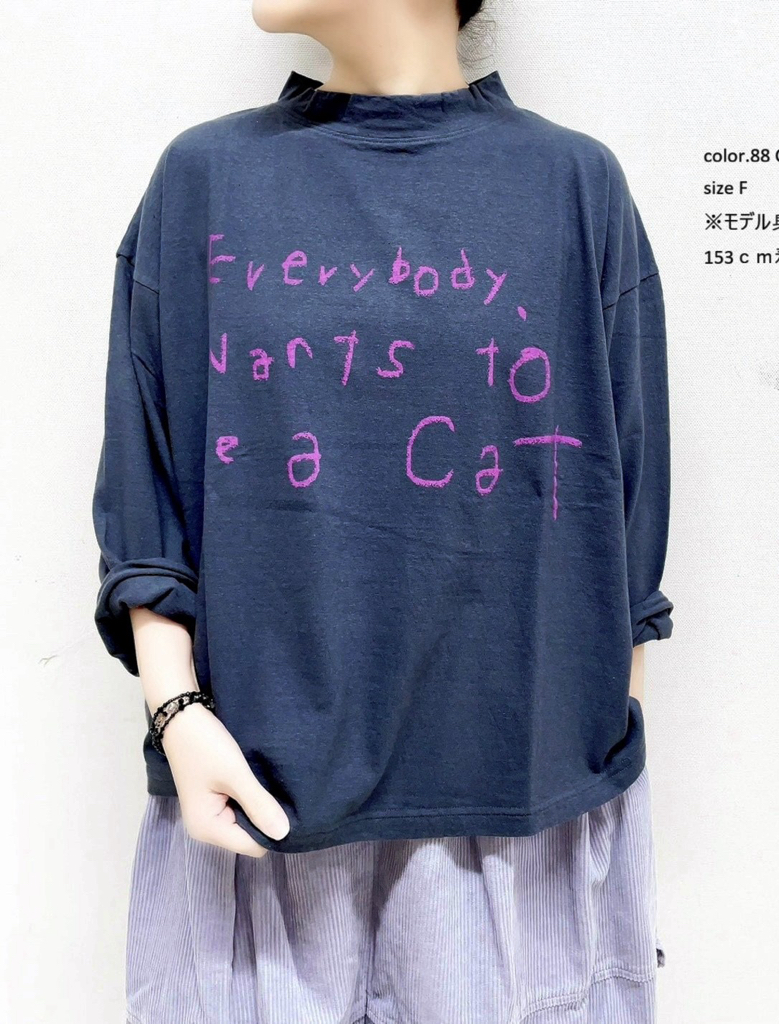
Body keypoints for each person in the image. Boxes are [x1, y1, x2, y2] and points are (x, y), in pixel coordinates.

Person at [92, 1, 675, 1021]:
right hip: (258, 801)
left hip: (516, 813)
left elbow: (624, 508)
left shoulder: (574, 187)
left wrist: (584, 774)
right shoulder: (205, 181)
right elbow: (149, 478)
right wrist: (176, 715)